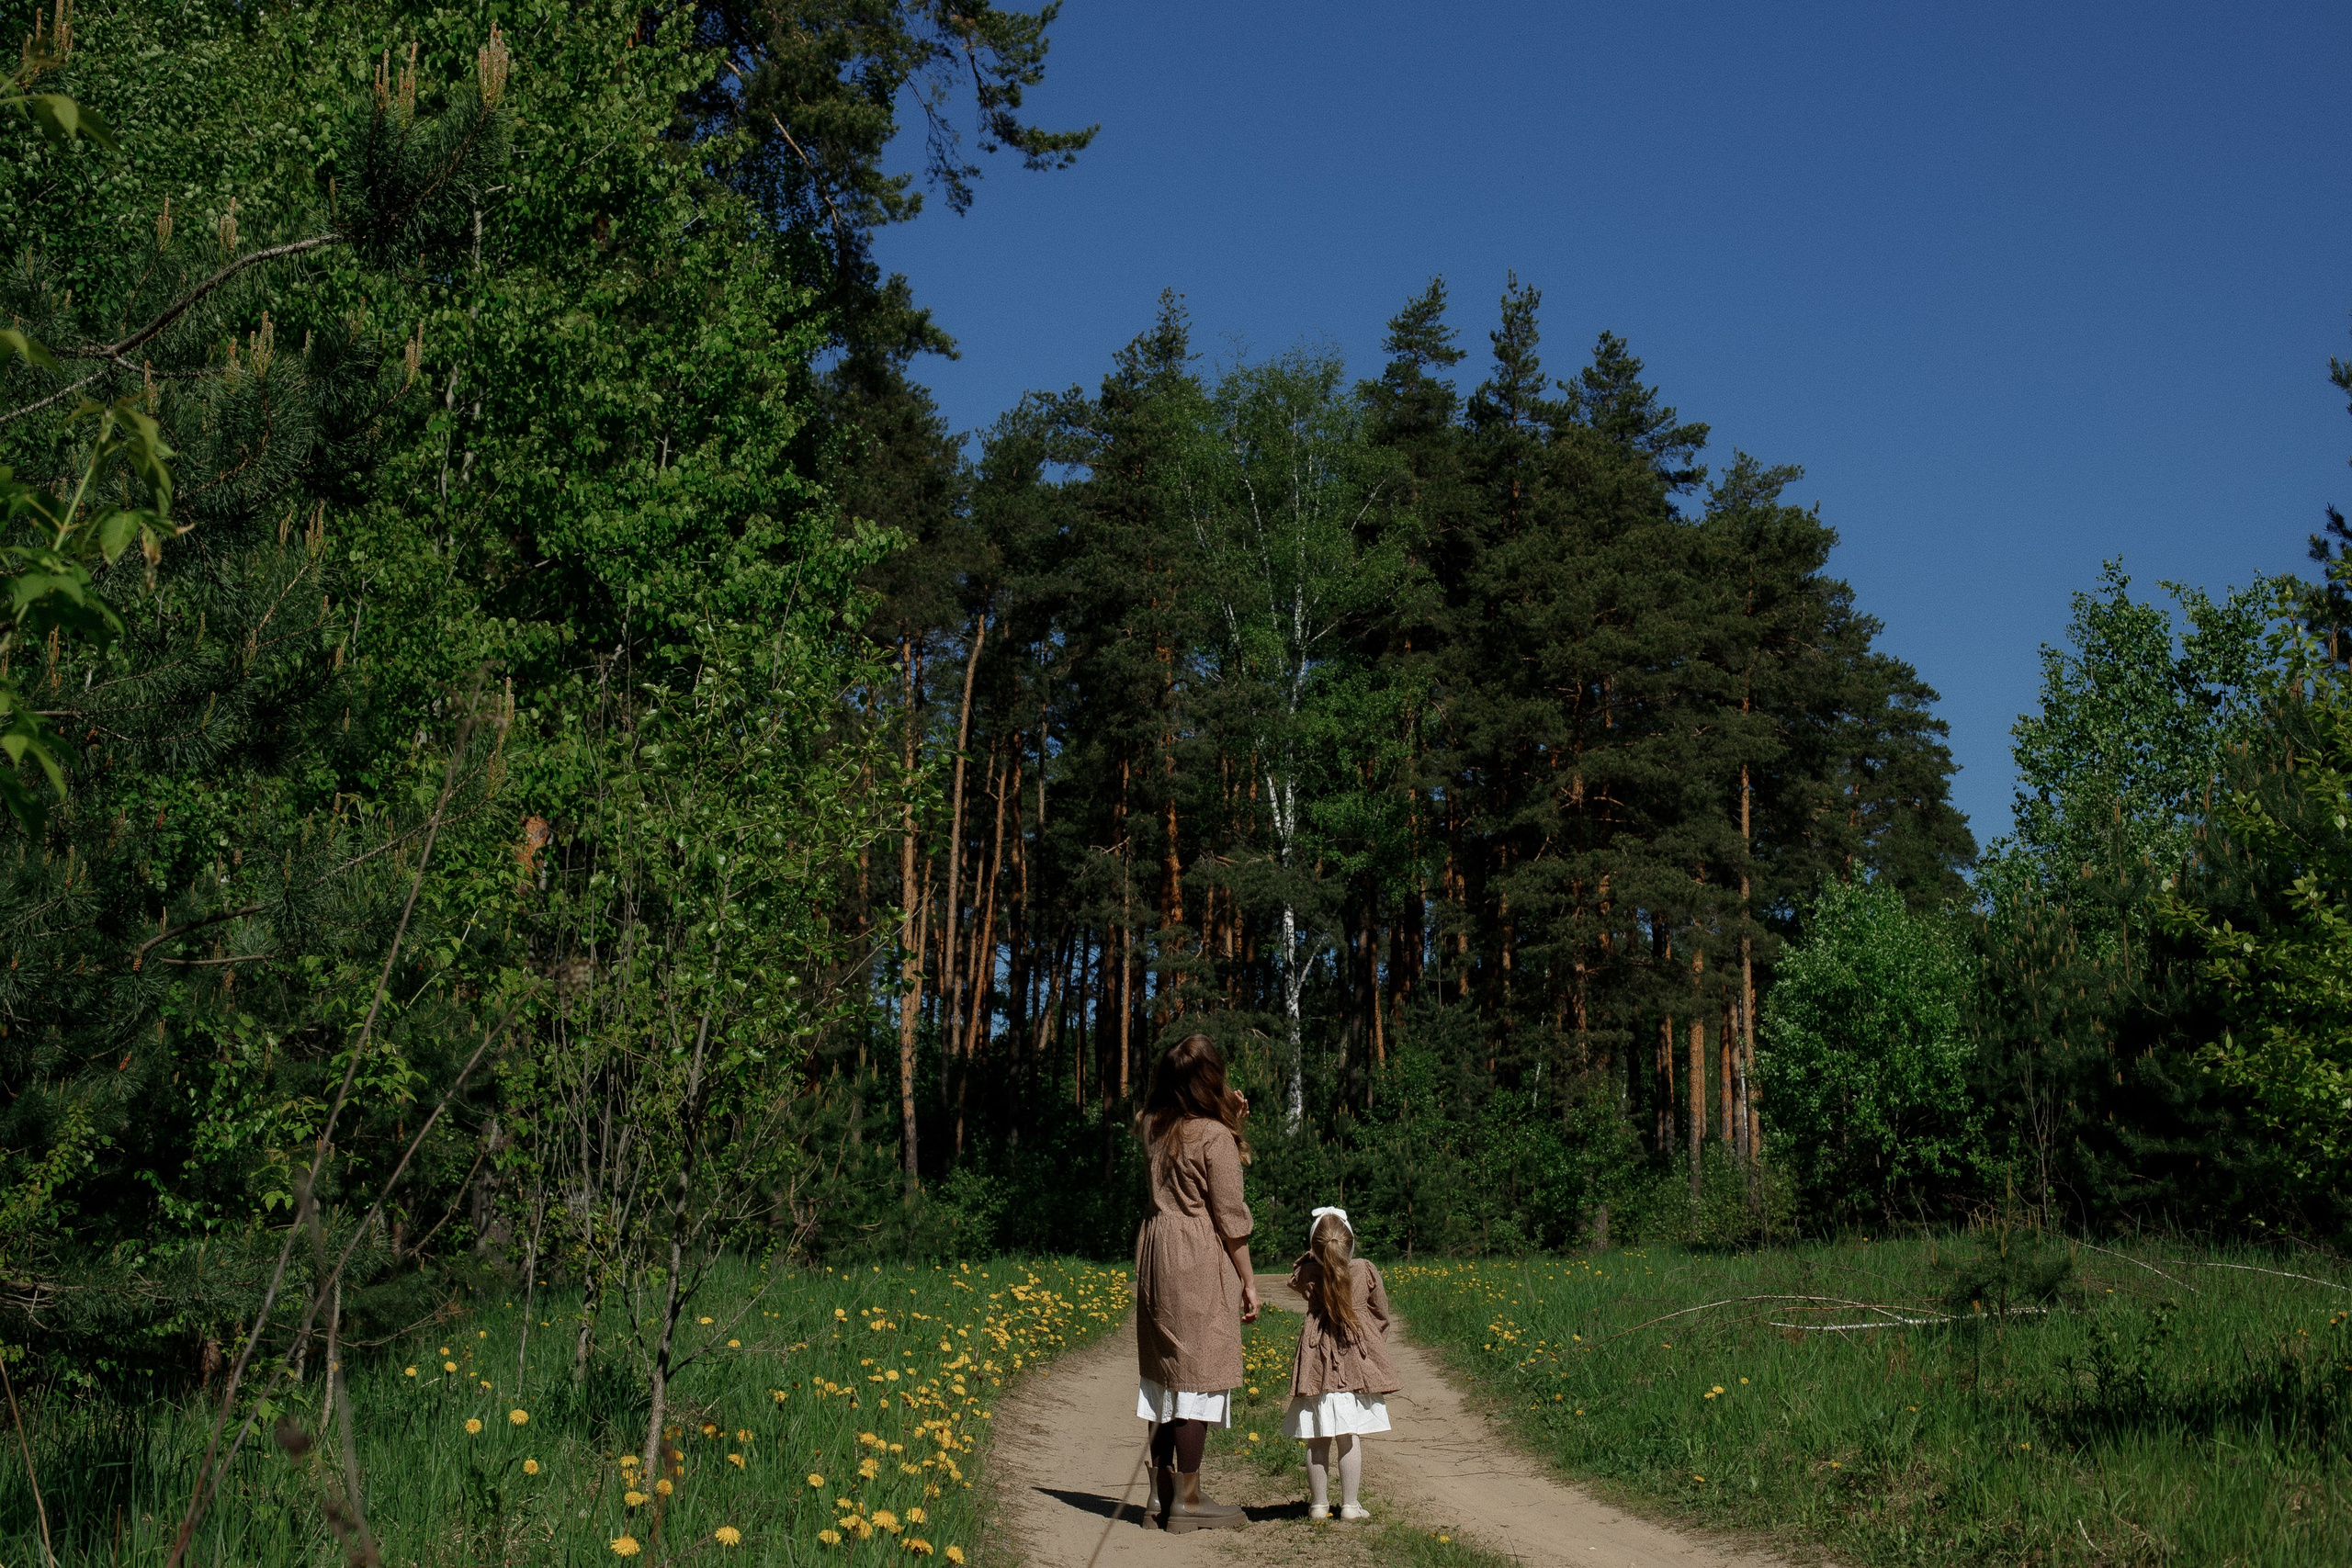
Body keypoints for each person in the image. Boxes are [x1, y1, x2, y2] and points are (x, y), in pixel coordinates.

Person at [1133, 1033, 1260, 1532]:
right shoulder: (1213, 1136)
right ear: (1211, 1080)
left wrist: (1227, 1119)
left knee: (1165, 1374)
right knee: (1197, 1375)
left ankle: (1157, 1497)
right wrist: (1249, 1281)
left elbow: (1182, 1128)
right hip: (1196, 1255)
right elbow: (1230, 1215)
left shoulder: (1150, 1128)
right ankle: (1187, 1501)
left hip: (1156, 1250)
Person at [1283, 1205, 1396, 1521]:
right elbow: (1382, 1314)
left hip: (1316, 1367)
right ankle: (1350, 1505)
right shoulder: (1364, 1270)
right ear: (1350, 1243)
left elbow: (1295, 1277)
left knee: (1317, 1437)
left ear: (1314, 1247)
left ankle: (1318, 1505)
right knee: (1349, 1436)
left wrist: (1314, 1256)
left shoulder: (1308, 1274)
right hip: (1353, 1368)